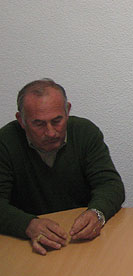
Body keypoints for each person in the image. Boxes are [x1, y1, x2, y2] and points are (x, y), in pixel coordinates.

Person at [0, 79, 125, 255]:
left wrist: (97, 212)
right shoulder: (5, 142)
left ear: (67, 110)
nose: (51, 132)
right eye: (39, 124)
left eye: (57, 120)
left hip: (81, 241)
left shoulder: (85, 132)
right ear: (21, 120)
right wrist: (27, 224)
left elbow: (110, 184)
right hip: (27, 245)